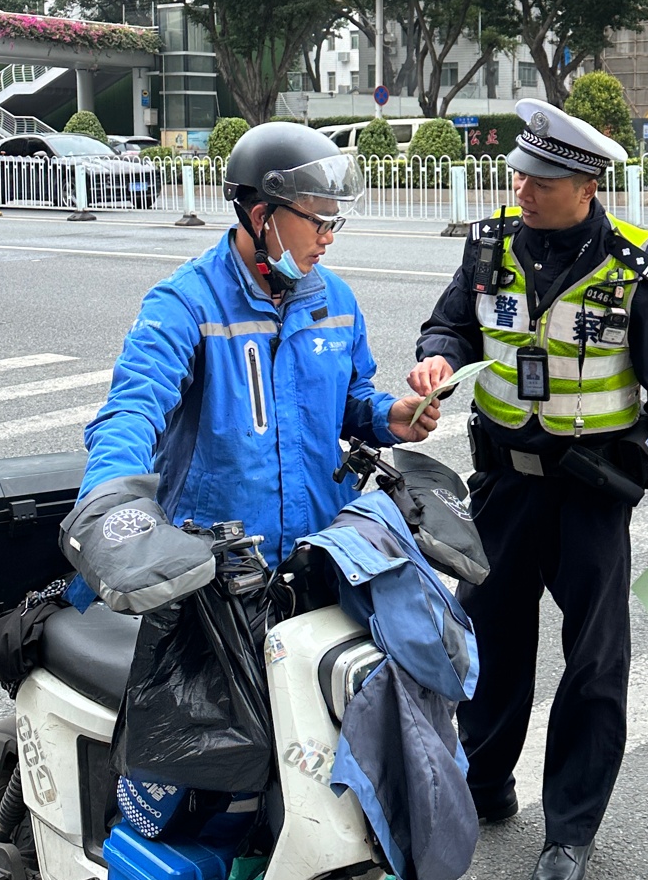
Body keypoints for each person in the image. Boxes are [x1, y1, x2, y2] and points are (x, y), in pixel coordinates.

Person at [408, 99, 648, 880]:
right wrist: (437, 361)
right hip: (503, 484)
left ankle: (571, 827)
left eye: (540, 181)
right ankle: (485, 781)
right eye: (517, 176)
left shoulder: (636, 267)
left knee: (595, 664)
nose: (522, 191)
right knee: (488, 642)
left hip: (590, 495)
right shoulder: (488, 246)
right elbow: (450, 327)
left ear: (585, 185)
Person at [79, 121, 439, 559]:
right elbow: (132, 410)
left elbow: (349, 400)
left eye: (334, 221)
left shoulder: (335, 299)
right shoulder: (187, 303)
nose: (328, 238)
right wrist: (111, 507)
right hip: (217, 569)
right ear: (261, 217)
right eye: (318, 221)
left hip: (323, 552)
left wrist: (387, 416)